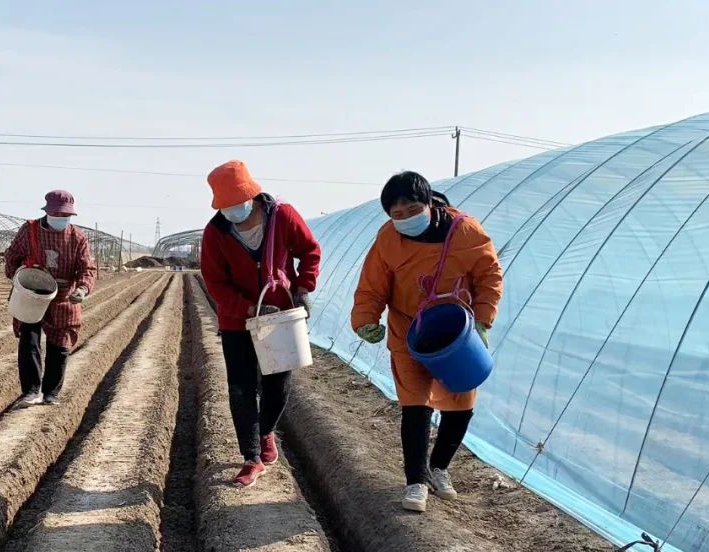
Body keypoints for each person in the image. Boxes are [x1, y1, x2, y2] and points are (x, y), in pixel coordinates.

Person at [351, 172, 502, 512]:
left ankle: (439, 468)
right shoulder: (388, 239)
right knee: (415, 405)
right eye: (396, 214)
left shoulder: (465, 232)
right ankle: (416, 481)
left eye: (412, 209)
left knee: (461, 401)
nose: (405, 219)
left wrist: (482, 319)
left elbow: (488, 275)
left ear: (430, 203)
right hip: (409, 330)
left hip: (455, 332)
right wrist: (364, 320)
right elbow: (372, 285)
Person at [201, 160, 322, 487]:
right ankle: (251, 457)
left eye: (236, 204)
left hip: (281, 316)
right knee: (241, 387)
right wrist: (251, 308)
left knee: (277, 384)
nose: (231, 212)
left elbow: (310, 251)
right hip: (237, 321)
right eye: (224, 207)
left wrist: (303, 288)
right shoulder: (216, 233)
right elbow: (215, 283)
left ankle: (266, 430)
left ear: (252, 196)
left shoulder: (282, 216)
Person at [3, 189, 96, 407]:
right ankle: (31, 391)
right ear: (47, 212)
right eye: (57, 215)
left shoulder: (77, 238)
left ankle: (51, 393)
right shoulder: (30, 231)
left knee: (60, 345)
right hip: (33, 296)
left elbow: (87, 269)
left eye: (66, 216)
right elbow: (13, 257)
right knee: (30, 340)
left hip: (64, 297)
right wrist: (17, 277)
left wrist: (82, 289)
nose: (61, 219)